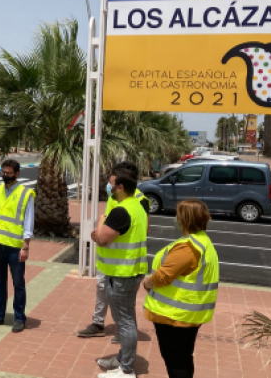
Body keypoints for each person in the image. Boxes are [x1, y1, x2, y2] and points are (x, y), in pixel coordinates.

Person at [143, 200, 219, 378]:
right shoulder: (202, 241)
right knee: (182, 358)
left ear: (185, 220)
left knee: (176, 361)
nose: (175, 218)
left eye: (178, 215)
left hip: (175, 316)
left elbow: (163, 276)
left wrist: (147, 283)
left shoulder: (188, 247)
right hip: (188, 314)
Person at [79, 162, 151, 344]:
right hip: (109, 259)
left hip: (124, 263)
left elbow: (142, 229)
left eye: (112, 182)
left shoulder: (140, 201)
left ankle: (123, 338)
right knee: (102, 289)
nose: (109, 186)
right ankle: (98, 323)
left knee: (124, 307)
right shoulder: (117, 196)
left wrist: (102, 227)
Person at [91, 167, 148, 378]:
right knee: (127, 319)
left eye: (111, 184)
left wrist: (101, 220)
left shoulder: (121, 211)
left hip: (121, 274)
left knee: (125, 322)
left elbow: (102, 238)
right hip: (131, 271)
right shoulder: (138, 206)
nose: (109, 187)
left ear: (120, 187)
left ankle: (126, 369)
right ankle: (124, 359)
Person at [0, 159, 35, 333]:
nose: (5, 175)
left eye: (8, 173)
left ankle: (19, 318)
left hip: (15, 247)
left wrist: (25, 247)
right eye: (3, 172)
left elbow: (28, 222)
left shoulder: (26, 194)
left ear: (17, 174)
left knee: (18, 283)